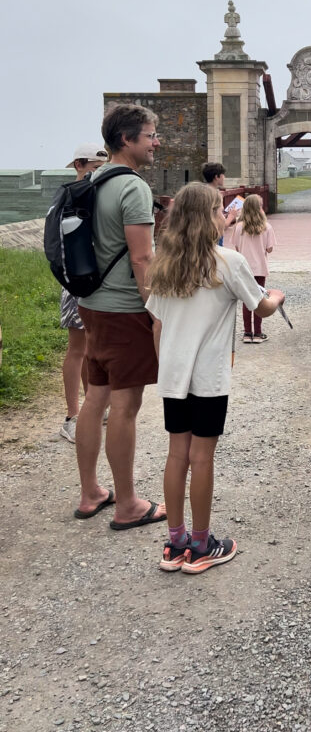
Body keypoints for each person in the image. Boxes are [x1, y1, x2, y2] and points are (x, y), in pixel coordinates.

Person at [146, 182, 285, 573]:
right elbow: (261, 307)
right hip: (207, 375)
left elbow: (157, 324)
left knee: (177, 454)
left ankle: (175, 542)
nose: (226, 214)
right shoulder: (228, 261)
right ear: (208, 217)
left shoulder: (165, 264)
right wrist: (277, 296)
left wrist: (165, 366)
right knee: (202, 457)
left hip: (174, 374)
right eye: (220, 209)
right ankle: (202, 544)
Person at [73, 104, 167, 529]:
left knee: (96, 398)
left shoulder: (92, 180)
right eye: (150, 135)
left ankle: (90, 491)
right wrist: (156, 310)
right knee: (126, 406)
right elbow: (142, 257)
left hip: (91, 303)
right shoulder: (132, 187)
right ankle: (127, 503)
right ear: (127, 139)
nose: (156, 142)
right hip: (124, 309)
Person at [59, 143, 109, 442]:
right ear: (79, 164)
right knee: (77, 347)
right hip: (75, 280)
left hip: (93, 279)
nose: (98, 173)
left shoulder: (93, 195)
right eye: (95, 167)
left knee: (91, 346)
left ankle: (93, 406)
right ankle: (72, 415)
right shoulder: (71, 196)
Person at [232, 194, 276, 342]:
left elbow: (237, 247)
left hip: (244, 268)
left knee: (247, 300)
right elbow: (269, 249)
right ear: (260, 208)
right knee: (259, 300)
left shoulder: (239, 227)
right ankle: (258, 332)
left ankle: (247, 333)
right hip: (260, 268)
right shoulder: (266, 227)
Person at [202, 162, 238, 245]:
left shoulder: (202, 192)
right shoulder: (215, 195)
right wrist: (231, 216)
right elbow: (221, 226)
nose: (224, 177)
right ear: (216, 177)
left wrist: (225, 215)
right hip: (215, 237)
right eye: (223, 175)